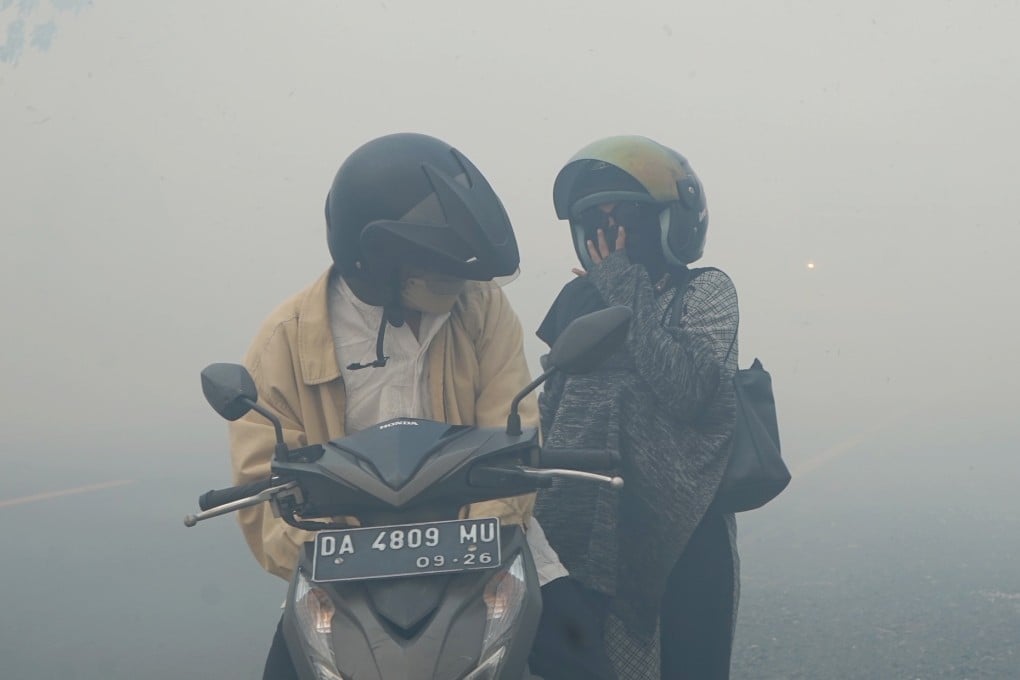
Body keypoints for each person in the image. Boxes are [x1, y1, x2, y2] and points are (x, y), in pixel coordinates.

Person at [226, 132, 550, 679]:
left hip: (482, 556)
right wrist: (334, 556)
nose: (457, 283)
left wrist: (476, 548)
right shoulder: (285, 339)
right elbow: (263, 494)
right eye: (436, 267)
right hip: (345, 579)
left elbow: (513, 436)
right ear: (373, 260)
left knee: (583, 658)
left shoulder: (482, 309)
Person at [531, 135, 741, 680]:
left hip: (683, 533)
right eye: (597, 220)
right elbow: (550, 409)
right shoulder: (580, 302)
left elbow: (690, 390)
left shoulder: (705, 292)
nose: (610, 232)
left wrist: (624, 289)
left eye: (623, 215)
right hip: (580, 533)